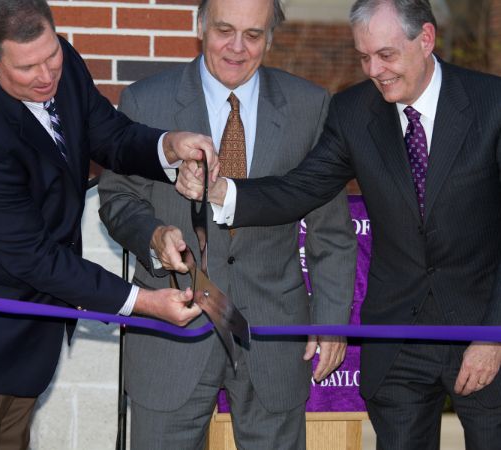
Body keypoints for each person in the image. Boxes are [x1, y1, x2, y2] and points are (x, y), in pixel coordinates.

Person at [178, 0, 501, 448]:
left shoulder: (492, 103)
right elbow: (299, 189)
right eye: (364, 57)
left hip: (485, 332)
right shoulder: (353, 111)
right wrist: (222, 193)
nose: (374, 70)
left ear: (425, 40)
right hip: (396, 345)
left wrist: (492, 335)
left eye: (385, 55)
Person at [0, 0, 218, 448]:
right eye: (29, 67)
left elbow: (108, 133)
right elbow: (36, 257)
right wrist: (143, 302)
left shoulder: (59, 66)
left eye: (52, 55)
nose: (47, 75)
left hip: (27, 338)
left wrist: (168, 144)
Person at [98, 0, 356, 448]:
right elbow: (118, 198)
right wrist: (154, 237)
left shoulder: (309, 106)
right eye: (224, 30)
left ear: (271, 38)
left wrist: (332, 321)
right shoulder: (145, 101)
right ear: (200, 27)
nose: (237, 48)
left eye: (253, 35)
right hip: (171, 338)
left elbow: (330, 231)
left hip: (274, 339)